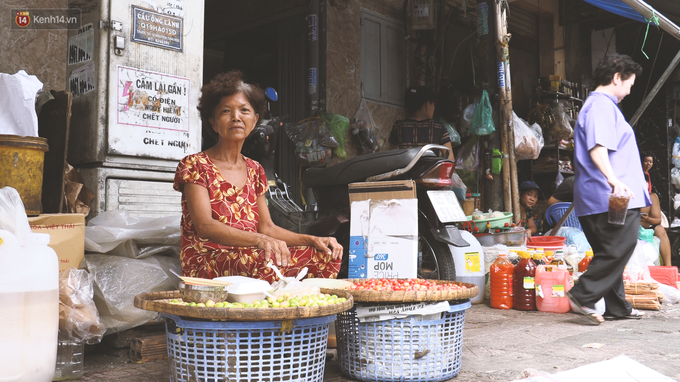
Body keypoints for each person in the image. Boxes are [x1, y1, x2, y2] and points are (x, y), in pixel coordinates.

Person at [173, 71, 343, 282]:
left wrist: (312, 239)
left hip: (253, 253)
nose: (236, 117)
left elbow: (267, 227)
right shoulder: (195, 164)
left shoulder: (255, 170)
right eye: (226, 111)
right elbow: (205, 226)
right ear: (213, 122)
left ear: (254, 122)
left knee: (326, 255)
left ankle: (294, 308)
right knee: (266, 259)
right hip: (208, 259)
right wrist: (259, 240)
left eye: (244, 110)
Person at [568, 53, 650, 324]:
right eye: (629, 84)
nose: (629, 91)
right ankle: (583, 294)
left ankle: (617, 306)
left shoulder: (600, 107)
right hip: (609, 196)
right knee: (620, 247)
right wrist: (614, 179)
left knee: (610, 251)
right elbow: (598, 147)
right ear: (617, 78)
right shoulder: (601, 106)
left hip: (601, 196)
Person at [389, 86, 455, 160]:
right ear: (427, 105)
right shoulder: (438, 127)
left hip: (407, 171)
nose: (434, 108)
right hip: (431, 170)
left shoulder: (399, 126)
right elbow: (450, 158)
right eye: (433, 105)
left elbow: (393, 148)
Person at [641, 190, 671, 266]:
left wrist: (647, 219)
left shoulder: (652, 197)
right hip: (630, 230)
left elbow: (658, 220)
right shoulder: (624, 195)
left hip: (647, 230)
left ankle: (668, 265)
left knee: (660, 229)